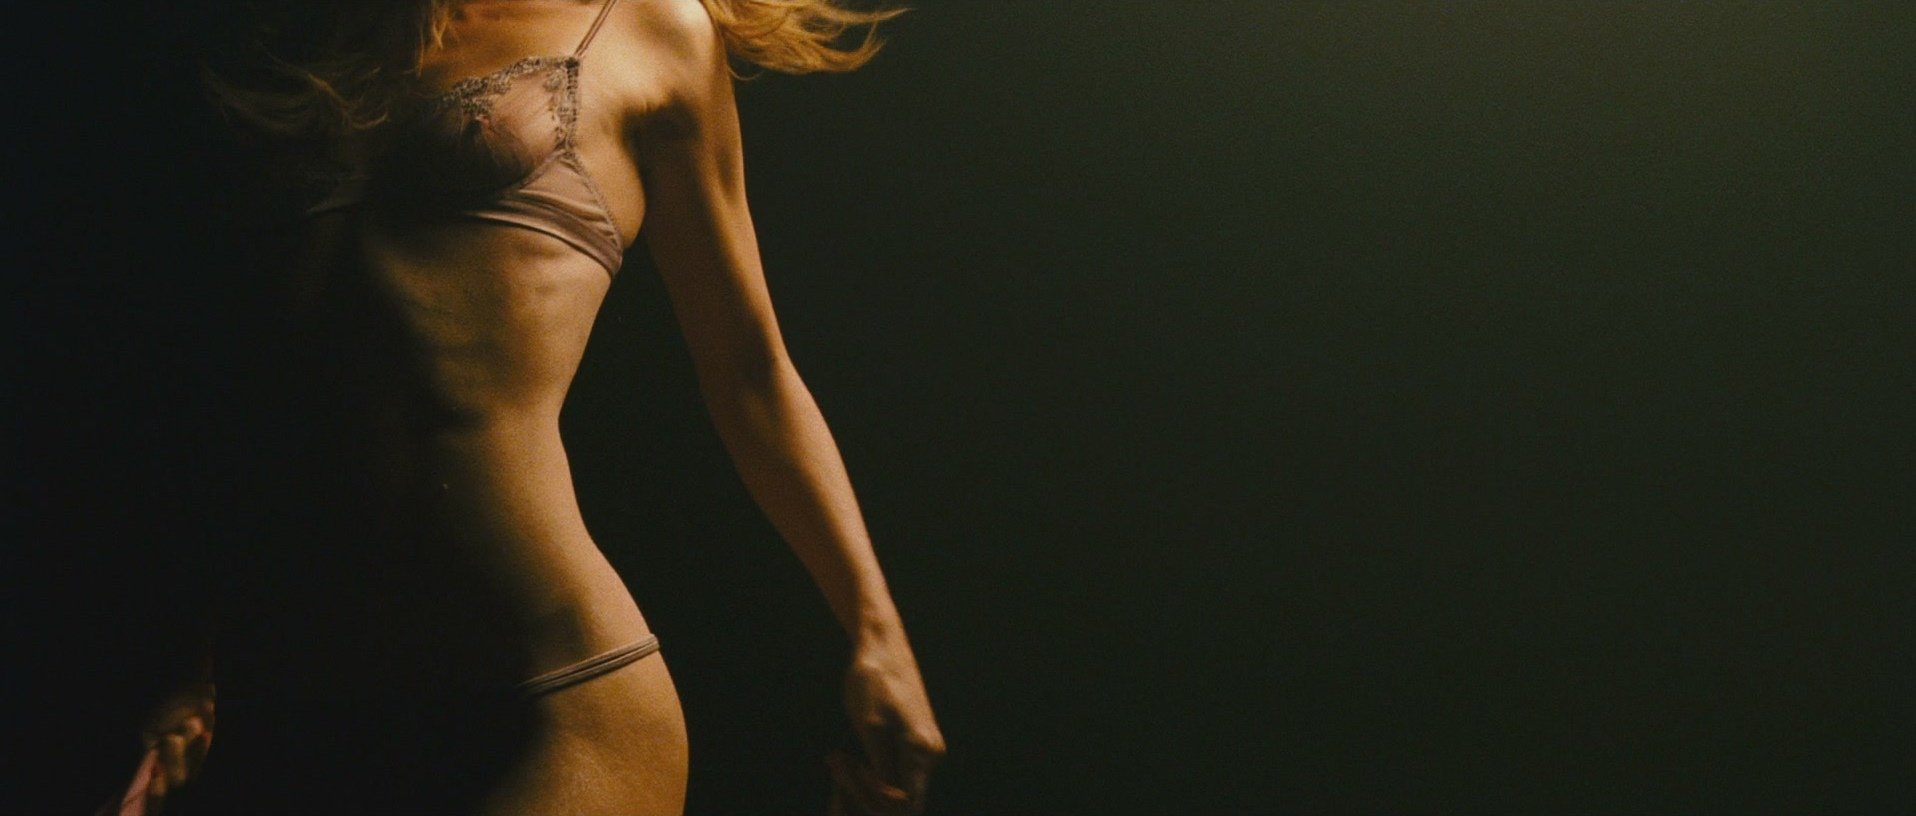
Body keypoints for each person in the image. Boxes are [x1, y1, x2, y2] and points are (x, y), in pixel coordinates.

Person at [170, 1, 946, 814]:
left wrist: (876, 631)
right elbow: (233, 382)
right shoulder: (318, 32)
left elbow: (750, 371)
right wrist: (181, 658)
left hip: (550, 702)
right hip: (297, 709)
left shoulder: (651, 28)